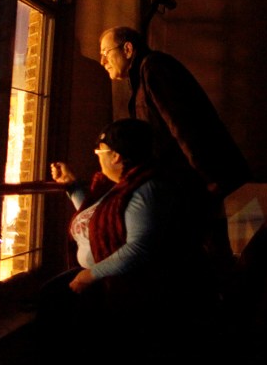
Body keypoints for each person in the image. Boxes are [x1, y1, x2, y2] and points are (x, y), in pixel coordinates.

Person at [35, 118, 218, 360]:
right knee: (50, 298)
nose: (96, 156)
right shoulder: (118, 186)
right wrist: (71, 186)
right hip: (99, 277)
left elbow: (140, 248)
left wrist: (89, 275)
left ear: (116, 156)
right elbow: (97, 222)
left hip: (118, 288)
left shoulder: (145, 189)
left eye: (100, 151)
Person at [98, 25, 251, 278]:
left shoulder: (153, 68)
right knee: (206, 254)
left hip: (194, 182)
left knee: (208, 255)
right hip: (188, 182)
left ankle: (227, 307)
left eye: (106, 52)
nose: (102, 60)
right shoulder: (144, 74)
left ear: (127, 49)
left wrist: (209, 179)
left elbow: (184, 125)